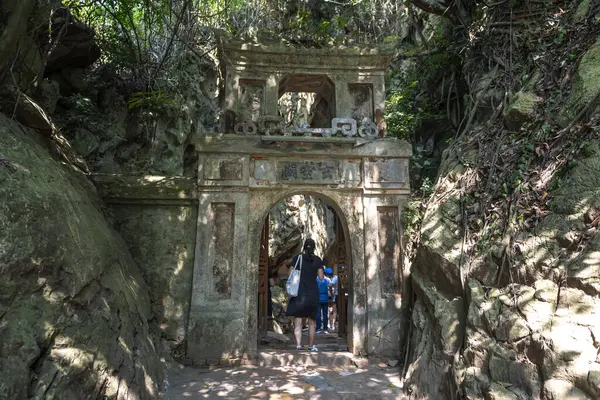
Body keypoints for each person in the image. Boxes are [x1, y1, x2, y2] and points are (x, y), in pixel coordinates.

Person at [286, 238, 324, 351]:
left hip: (299, 292)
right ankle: (311, 346)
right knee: (312, 322)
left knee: (298, 320)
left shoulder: (298, 258)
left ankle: (298, 345)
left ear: (304, 247)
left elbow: (290, 273)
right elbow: (321, 277)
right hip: (312, 293)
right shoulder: (317, 260)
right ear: (314, 248)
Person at [316, 269, 331, 334]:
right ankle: (325, 328)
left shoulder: (316, 279)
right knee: (325, 314)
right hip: (325, 298)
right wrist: (331, 296)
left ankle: (318, 328)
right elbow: (330, 288)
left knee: (318, 314)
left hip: (318, 298)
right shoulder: (327, 279)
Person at [325, 267, 338, 331]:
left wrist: (331, 294)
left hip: (333, 295)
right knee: (333, 310)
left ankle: (330, 324)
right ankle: (332, 324)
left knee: (330, 310)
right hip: (334, 295)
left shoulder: (331, 279)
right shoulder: (336, 277)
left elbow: (330, 286)